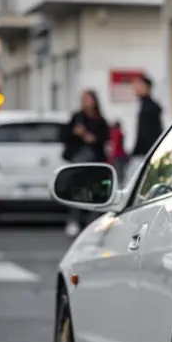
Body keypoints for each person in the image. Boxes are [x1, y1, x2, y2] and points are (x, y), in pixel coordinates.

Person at [62, 90, 110, 237]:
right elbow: (64, 136)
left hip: (95, 162)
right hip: (79, 161)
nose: (87, 102)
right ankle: (74, 221)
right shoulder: (77, 117)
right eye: (85, 99)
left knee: (94, 191)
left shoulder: (100, 120)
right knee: (78, 191)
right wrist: (76, 133)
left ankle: (92, 221)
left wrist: (89, 136)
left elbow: (103, 138)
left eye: (90, 99)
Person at [128, 73, 163, 182]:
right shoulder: (144, 105)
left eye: (138, 85)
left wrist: (136, 152)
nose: (135, 88)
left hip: (146, 153)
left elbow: (146, 133)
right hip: (146, 152)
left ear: (146, 87)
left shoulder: (149, 107)